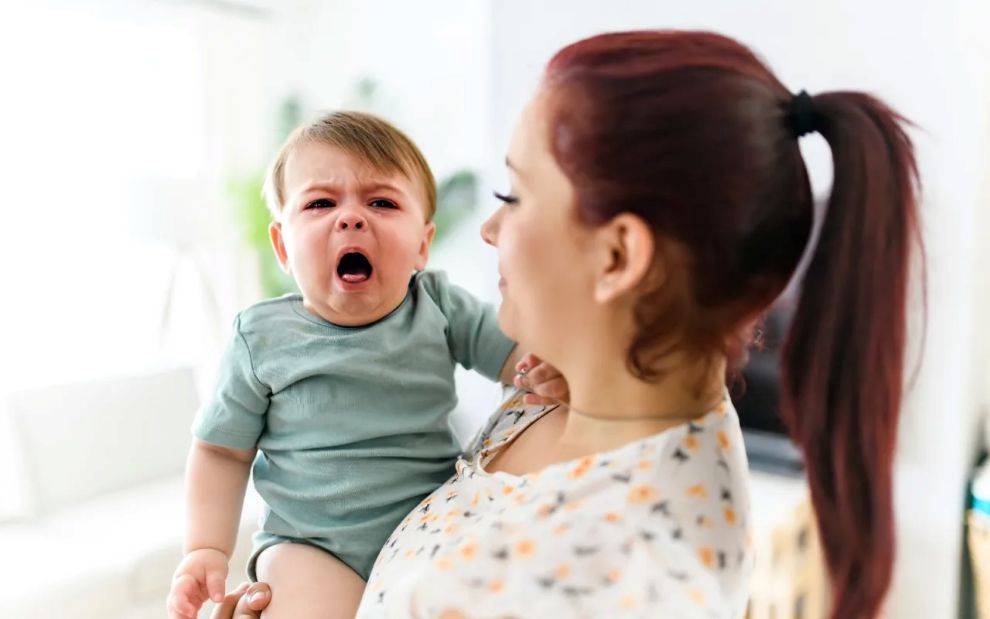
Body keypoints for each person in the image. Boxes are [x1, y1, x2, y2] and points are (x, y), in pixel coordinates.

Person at [212, 29, 922, 619]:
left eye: (512, 195)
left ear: (618, 255)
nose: (488, 228)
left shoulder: (626, 580)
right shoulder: (582, 383)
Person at [165, 111, 562, 619]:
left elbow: (517, 355)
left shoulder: (439, 306)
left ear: (422, 243)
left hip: (429, 528)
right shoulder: (260, 337)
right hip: (311, 546)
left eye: (381, 202)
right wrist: (205, 548)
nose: (351, 218)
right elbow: (221, 452)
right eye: (321, 203)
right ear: (283, 246)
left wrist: (549, 368)